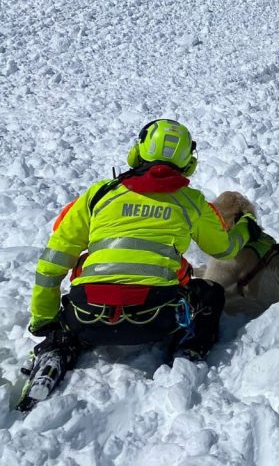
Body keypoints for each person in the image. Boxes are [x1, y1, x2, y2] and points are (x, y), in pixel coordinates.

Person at [22, 120, 259, 409]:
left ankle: (57, 347)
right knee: (210, 293)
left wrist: (45, 321)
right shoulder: (193, 202)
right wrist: (246, 226)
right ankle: (189, 350)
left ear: (137, 152)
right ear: (188, 163)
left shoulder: (98, 195)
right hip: (157, 318)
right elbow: (223, 249)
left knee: (67, 322)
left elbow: (51, 266)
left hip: (86, 316)